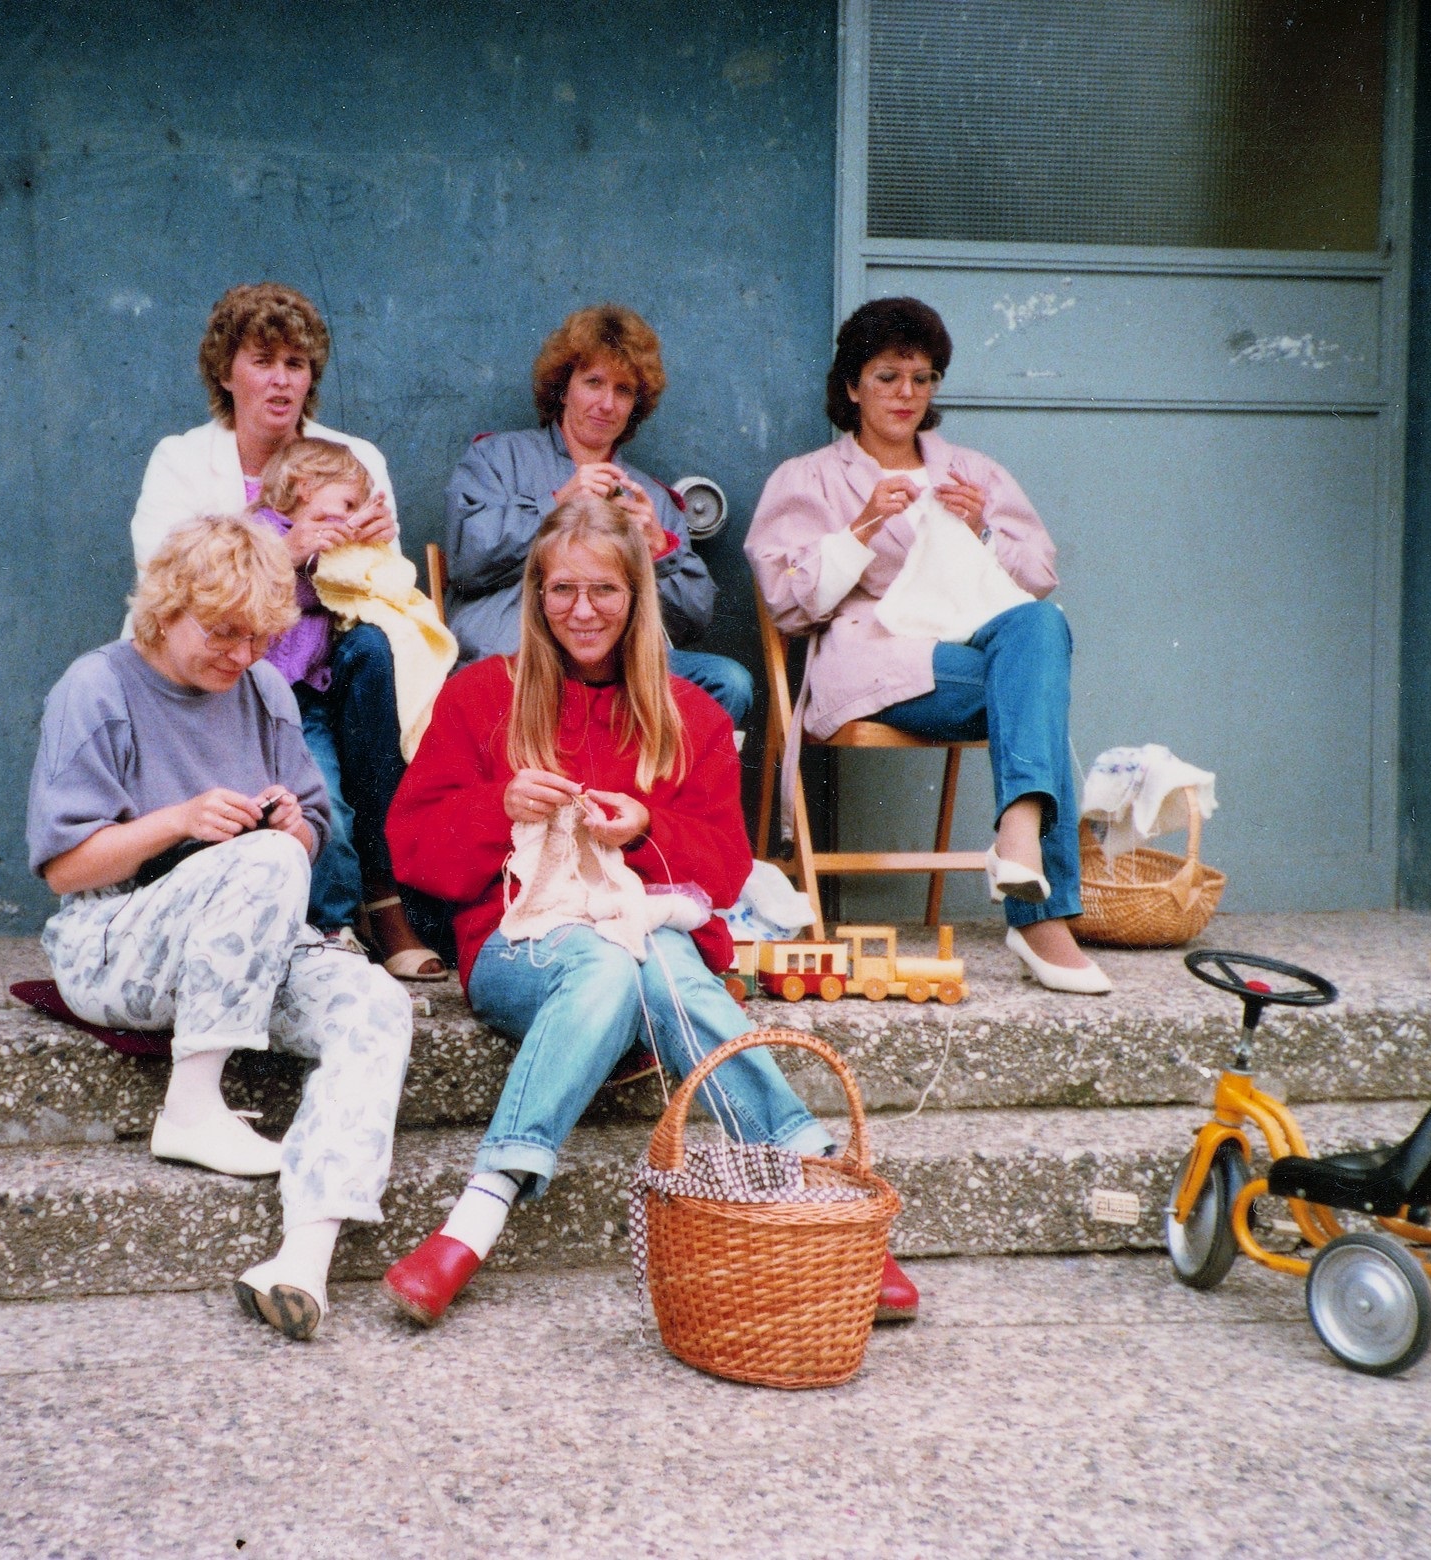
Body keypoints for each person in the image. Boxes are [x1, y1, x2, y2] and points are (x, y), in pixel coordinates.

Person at [379, 496, 918, 1326]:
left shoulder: (689, 714)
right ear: (536, 596)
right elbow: (412, 851)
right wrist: (500, 806)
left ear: (637, 599)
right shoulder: (483, 695)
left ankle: (471, 1225)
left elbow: (727, 871)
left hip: (648, 949)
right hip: (522, 947)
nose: (582, 611)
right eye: (561, 591)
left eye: (604, 591)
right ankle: (823, 1179)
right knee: (614, 957)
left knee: (650, 959)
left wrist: (646, 828)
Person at [27, 515, 414, 1342]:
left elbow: (312, 826)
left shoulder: (266, 692)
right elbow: (64, 867)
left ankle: (301, 1260)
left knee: (377, 1005)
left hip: (245, 948)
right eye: (223, 633)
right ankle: (192, 1105)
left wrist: (290, 827)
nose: (241, 656)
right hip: (116, 946)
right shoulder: (94, 689)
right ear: (168, 609)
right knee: (266, 864)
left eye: (258, 639)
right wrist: (181, 820)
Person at [745, 296, 1110, 1002]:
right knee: (1036, 686)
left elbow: (1036, 577)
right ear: (852, 386)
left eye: (922, 377)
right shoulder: (808, 478)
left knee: (1043, 627)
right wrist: (856, 530)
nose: (906, 394)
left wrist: (980, 534)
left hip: (974, 650)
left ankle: (1018, 835)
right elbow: (786, 603)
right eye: (886, 377)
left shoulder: (972, 472)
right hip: (876, 657)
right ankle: (1039, 914)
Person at [128, 281, 438, 978]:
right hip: (223, 672)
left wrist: (370, 544)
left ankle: (385, 898)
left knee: (375, 650)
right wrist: (280, 552)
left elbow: (372, 588)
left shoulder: (350, 457)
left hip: (329, 673)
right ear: (225, 372)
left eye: (296, 364)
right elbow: (165, 581)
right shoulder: (181, 461)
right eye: (263, 360)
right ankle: (335, 915)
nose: (280, 379)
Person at [442, 304, 754, 727]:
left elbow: (693, 622)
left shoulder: (653, 498)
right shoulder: (498, 456)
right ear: (564, 388)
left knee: (727, 682)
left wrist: (658, 551)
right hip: (517, 658)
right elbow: (468, 560)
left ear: (635, 405)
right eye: (593, 382)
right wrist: (555, 506)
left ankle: (656, 794)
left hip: (621, 673)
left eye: (624, 390)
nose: (607, 403)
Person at [245, 436, 450, 980]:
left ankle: (334, 926)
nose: (354, 517)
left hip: (309, 703)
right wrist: (294, 552)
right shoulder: (260, 530)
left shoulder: (334, 546)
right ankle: (320, 921)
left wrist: (363, 544)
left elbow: (364, 586)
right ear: (306, 490)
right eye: (348, 503)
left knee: (328, 804)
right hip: (252, 704)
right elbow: (238, 581)